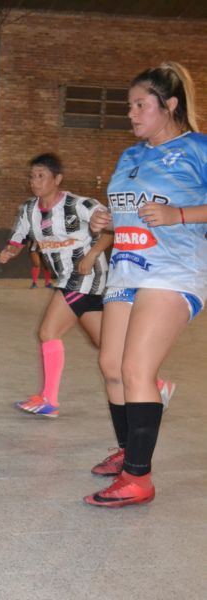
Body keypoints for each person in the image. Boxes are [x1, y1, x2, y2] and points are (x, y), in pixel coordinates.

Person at [85, 62, 206, 507]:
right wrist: (108, 219)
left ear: (169, 105)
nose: (132, 114)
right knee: (112, 366)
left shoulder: (198, 148)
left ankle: (139, 477)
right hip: (127, 269)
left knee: (137, 370)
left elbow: (179, 208)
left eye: (141, 105)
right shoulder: (131, 155)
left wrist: (180, 215)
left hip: (173, 271)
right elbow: (127, 207)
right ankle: (127, 451)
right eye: (129, 106)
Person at [0, 153, 114, 418]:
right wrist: (9, 252)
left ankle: (49, 399)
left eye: (41, 176)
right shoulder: (29, 209)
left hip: (85, 276)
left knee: (48, 331)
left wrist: (92, 254)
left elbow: (109, 227)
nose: (34, 181)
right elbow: (18, 237)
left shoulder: (79, 204)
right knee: (106, 343)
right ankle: (154, 385)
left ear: (57, 179)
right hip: (67, 279)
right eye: (32, 176)